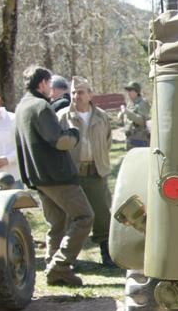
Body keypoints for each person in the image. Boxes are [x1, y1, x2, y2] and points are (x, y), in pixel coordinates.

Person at [15, 65, 94, 286]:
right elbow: (60, 140)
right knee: (84, 217)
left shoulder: (22, 107)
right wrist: (74, 134)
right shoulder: (40, 106)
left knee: (57, 223)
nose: (51, 88)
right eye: (49, 83)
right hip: (57, 175)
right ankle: (60, 266)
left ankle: (53, 265)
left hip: (38, 177)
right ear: (42, 83)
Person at [57, 76, 116, 267]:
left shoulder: (101, 116)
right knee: (72, 216)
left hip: (96, 171)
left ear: (90, 94)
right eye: (73, 92)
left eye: (81, 92)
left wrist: (100, 160)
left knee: (102, 214)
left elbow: (107, 141)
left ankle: (107, 254)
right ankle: (69, 259)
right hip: (73, 174)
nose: (76, 96)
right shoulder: (62, 117)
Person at [120, 81, 150, 150]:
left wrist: (127, 112)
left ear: (136, 92)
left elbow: (141, 121)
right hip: (130, 138)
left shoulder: (143, 103)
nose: (128, 93)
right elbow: (128, 119)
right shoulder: (130, 103)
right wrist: (121, 115)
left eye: (130, 90)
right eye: (128, 91)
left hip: (140, 139)